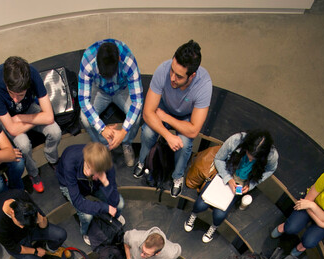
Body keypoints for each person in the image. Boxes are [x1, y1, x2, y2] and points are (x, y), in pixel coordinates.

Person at [132, 40, 212, 198]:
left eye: (179, 76)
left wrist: (165, 117)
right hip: (164, 107)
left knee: (185, 143)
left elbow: (194, 130)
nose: (172, 78)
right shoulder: (163, 70)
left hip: (185, 116)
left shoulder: (204, 85)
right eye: (172, 71)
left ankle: (177, 176)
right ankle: (143, 161)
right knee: (147, 132)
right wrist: (168, 135)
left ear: (192, 75)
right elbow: (148, 113)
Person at [184, 130, 279, 243]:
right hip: (224, 175)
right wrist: (228, 179)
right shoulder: (235, 140)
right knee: (200, 204)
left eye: (254, 158)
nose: (250, 160)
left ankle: (213, 227)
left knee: (219, 214)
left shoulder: (272, 156)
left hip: (241, 184)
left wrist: (251, 184)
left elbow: (270, 170)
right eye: (249, 154)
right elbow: (219, 159)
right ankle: (193, 215)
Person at [0, 56, 61, 193]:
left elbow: (49, 117)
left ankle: (52, 159)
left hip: (26, 111)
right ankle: (33, 173)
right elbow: (12, 129)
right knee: (24, 145)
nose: (15, 100)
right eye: (11, 93)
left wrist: (21, 118)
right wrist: (39, 119)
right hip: (7, 116)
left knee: (55, 131)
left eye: (20, 95)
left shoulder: (32, 74)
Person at [78, 38, 143, 167]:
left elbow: (137, 101)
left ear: (119, 60)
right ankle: (101, 145)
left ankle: (126, 143)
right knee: (84, 118)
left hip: (122, 89)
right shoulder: (88, 60)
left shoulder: (128, 60)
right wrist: (102, 128)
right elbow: (83, 100)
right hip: (100, 90)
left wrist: (123, 132)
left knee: (137, 117)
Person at [56, 142, 124, 247]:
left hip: (94, 184)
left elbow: (115, 201)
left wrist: (105, 182)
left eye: (94, 171)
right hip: (70, 185)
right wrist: (105, 208)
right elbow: (78, 202)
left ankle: (114, 219)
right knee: (87, 216)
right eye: (87, 166)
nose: (88, 172)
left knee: (120, 204)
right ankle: (86, 232)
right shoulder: (70, 161)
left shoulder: (107, 166)